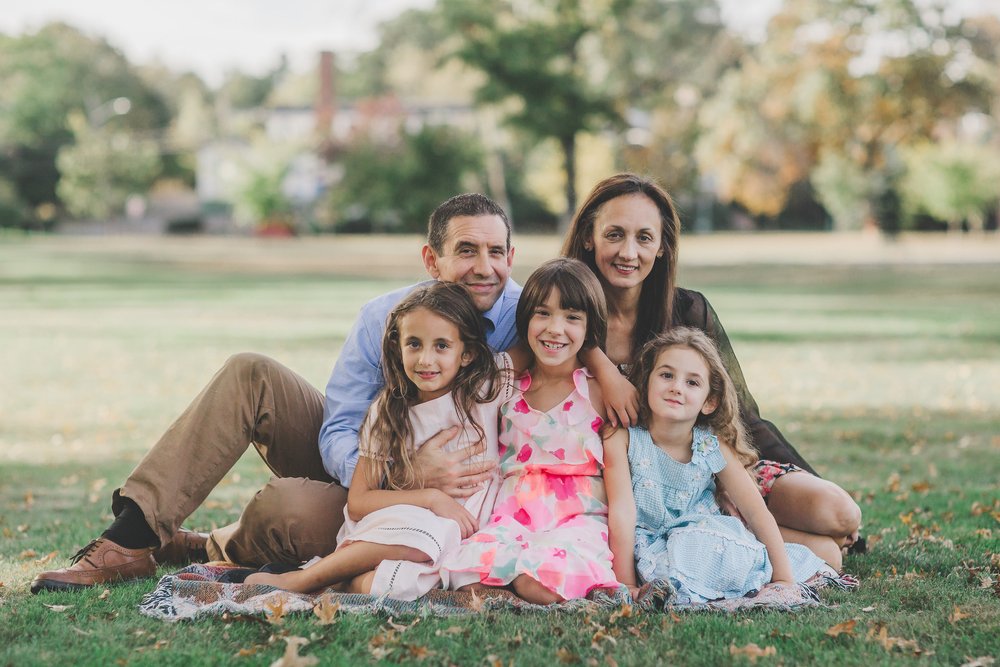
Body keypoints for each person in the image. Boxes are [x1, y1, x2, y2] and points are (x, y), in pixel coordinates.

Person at [31, 193, 521, 594]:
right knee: (250, 372)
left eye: (495, 252)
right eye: (466, 250)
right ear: (431, 260)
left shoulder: (532, 320)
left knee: (287, 508)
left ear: (511, 257)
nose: (483, 268)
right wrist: (403, 474)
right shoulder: (385, 319)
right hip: (375, 482)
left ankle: (207, 547)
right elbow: (339, 429)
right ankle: (130, 539)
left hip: (470, 508)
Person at [563, 173, 862, 569]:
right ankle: (755, 542)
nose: (628, 252)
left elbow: (739, 414)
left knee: (840, 514)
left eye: (645, 238)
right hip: (634, 488)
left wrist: (729, 482)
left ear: (664, 247)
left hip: (706, 468)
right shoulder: (564, 317)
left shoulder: (687, 312)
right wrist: (601, 366)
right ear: (589, 236)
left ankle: (749, 530)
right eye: (614, 234)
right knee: (826, 552)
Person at [246, 282, 514, 599]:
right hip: (400, 525)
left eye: (442, 346)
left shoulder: (485, 389)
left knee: (405, 583)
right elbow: (359, 503)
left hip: (466, 532)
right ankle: (305, 579)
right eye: (414, 344)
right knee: (432, 535)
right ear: (397, 347)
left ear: (467, 353)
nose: (426, 359)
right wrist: (431, 498)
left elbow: (553, 346)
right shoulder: (389, 414)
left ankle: (343, 583)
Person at [441, 258, 636, 604]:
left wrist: (626, 580)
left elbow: (621, 498)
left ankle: (531, 590)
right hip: (511, 519)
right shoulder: (509, 387)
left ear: (590, 328)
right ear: (525, 318)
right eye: (542, 313)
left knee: (540, 582)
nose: (554, 329)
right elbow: (476, 393)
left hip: (576, 523)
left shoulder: (600, 393)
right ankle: (513, 589)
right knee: (467, 576)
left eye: (572, 317)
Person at [611, 327, 833, 604]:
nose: (676, 387)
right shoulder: (624, 438)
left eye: (692, 383)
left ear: (709, 402)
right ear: (646, 383)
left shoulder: (709, 444)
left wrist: (784, 579)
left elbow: (755, 510)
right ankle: (683, 588)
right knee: (678, 555)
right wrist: (626, 584)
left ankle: (740, 580)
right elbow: (622, 511)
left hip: (704, 537)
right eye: (666, 375)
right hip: (648, 546)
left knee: (705, 542)